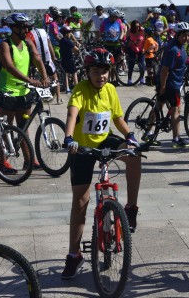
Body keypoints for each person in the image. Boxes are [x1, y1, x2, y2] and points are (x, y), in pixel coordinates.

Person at [61, 49, 142, 279]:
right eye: (96, 71)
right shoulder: (80, 89)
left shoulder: (110, 90)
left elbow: (117, 118)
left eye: (105, 71)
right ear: (87, 72)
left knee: (134, 156)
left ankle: (131, 208)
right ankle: (74, 255)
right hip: (82, 146)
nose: (101, 76)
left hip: (105, 141)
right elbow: (72, 114)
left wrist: (130, 136)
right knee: (81, 201)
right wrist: (69, 138)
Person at [0, 13, 49, 172]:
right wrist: (29, 79)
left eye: (27, 26)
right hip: (8, 90)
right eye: (22, 26)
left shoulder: (28, 43)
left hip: (24, 91)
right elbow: (9, 66)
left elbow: (38, 59)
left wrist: (45, 77)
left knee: (24, 126)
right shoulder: (6, 45)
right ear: (13, 27)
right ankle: (3, 161)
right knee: (5, 127)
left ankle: (29, 160)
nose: (25, 29)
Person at [151, 22, 189, 148]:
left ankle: (148, 132)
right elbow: (165, 70)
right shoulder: (174, 49)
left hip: (172, 81)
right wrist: (163, 87)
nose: (186, 38)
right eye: (183, 35)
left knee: (159, 106)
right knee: (176, 110)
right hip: (171, 83)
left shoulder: (179, 46)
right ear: (177, 35)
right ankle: (176, 139)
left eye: (188, 35)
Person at [27, 25, 63, 104]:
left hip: (36, 60)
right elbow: (49, 44)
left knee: (33, 78)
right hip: (47, 59)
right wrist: (53, 57)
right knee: (55, 78)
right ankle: (58, 99)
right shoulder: (43, 31)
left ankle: (35, 97)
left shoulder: (28, 35)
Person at [59, 26, 79, 94]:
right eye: (70, 33)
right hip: (69, 59)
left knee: (66, 74)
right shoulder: (68, 41)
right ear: (67, 33)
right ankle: (77, 88)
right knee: (74, 73)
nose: (70, 34)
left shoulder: (61, 40)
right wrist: (78, 48)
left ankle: (67, 89)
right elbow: (76, 49)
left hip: (63, 59)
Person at [126, 20, 145, 85]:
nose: (137, 28)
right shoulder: (129, 31)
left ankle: (142, 78)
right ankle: (129, 79)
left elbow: (145, 40)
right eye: (136, 27)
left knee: (142, 64)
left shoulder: (142, 30)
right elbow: (126, 41)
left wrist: (144, 48)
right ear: (133, 27)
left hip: (141, 49)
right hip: (132, 48)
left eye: (138, 26)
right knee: (131, 64)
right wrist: (129, 43)